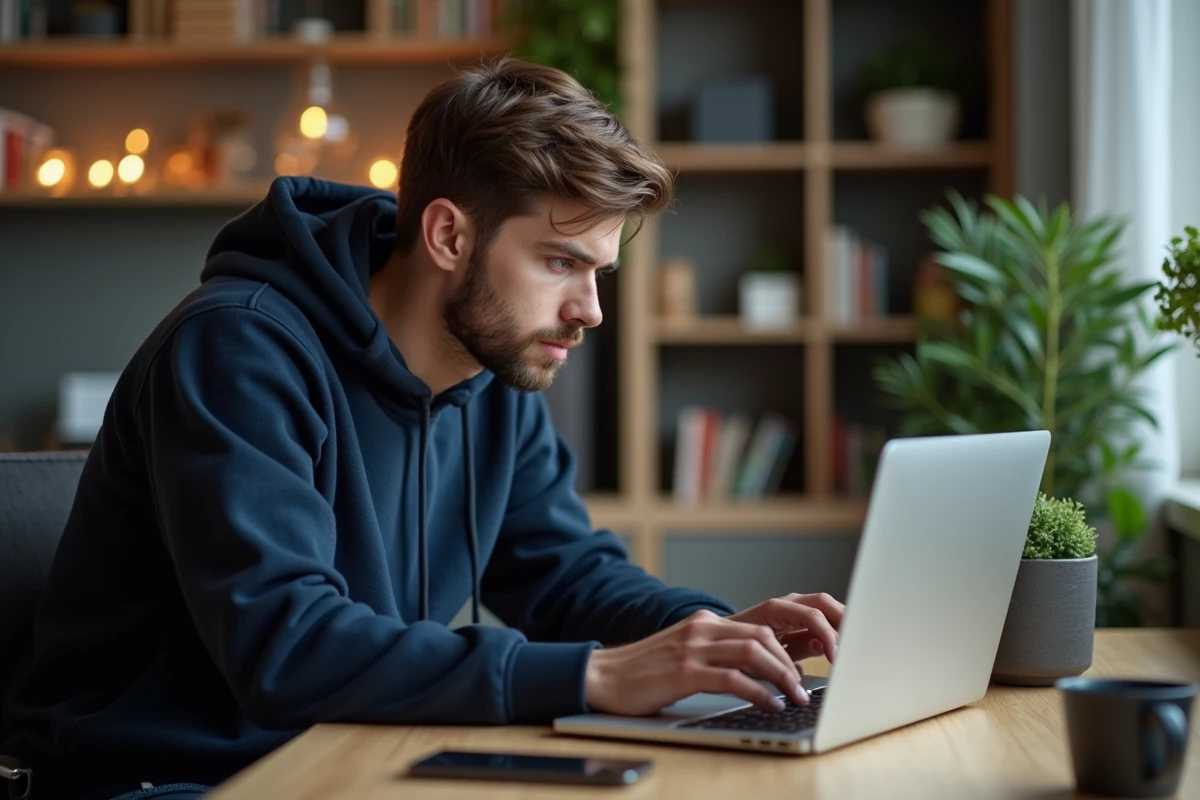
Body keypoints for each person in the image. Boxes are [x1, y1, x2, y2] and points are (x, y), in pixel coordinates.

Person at [0, 57, 843, 800]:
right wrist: (596, 674)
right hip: (152, 779)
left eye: (600, 271)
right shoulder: (238, 348)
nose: (588, 311)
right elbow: (286, 644)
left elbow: (565, 576)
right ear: (448, 234)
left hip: (347, 758)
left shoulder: (497, 366)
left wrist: (721, 639)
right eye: (560, 263)